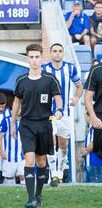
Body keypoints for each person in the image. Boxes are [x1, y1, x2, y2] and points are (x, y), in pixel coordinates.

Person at [11, 44, 62, 207]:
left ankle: (39, 196)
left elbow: (58, 97)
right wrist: (12, 123)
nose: (34, 60)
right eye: (31, 57)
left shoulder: (49, 79)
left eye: (37, 57)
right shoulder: (21, 80)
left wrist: (59, 110)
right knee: (29, 160)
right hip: (26, 125)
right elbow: (16, 102)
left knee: (41, 162)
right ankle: (31, 198)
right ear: (28, 58)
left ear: (42, 58)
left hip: (44, 125)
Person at [41, 43, 83, 186]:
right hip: (48, 113)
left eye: (60, 51)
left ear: (63, 53)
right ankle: (52, 173)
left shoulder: (69, 67)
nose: (57, 53)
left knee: (63, 143)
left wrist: (76, 99)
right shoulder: (44, 69)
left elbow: (79, 86)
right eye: (55, 51)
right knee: (50, 142)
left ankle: (59, 171)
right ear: (51, 53)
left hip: (65, 113)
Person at [0, 115, 25, 185]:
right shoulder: (6, 120)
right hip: (9, 157)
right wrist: (1, 151)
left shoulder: (26, 120)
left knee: (23, 177)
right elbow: (0, 138)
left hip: (22, 156)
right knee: (9, 180)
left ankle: (25, 195)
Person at [84, 60, 102, 166]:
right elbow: (87, 97)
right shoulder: (96, 70)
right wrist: (94, 117)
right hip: (100, 115)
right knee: (99, 151)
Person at [82, 111, 102, 182]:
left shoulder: (96, 128)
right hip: (89, 164)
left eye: (85, 116)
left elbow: (92, 144)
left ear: (89, 116)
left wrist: (84, 151)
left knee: (96, 188)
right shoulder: (91, 129)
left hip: (95, 164)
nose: (85, 119)